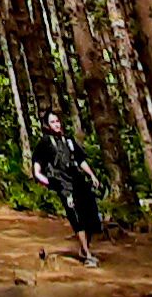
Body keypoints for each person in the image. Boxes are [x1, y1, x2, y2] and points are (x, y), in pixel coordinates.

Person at [32, 111, 104, 265]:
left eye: (57, 121)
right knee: (76, 217)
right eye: (52, 122)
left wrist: (92, 175)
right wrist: (49, 182)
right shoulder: (44, 143)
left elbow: (80, 160)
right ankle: (87, 254)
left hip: (79, 182)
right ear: (47, 125)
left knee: (90, 216)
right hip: (63, 186)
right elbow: (36, 169)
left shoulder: (69, 141)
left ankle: (84, 249)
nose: (56, 124)